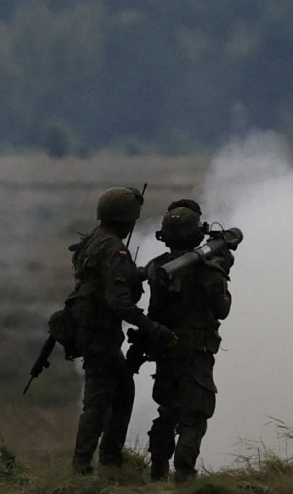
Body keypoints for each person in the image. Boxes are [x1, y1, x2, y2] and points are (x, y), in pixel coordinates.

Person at [69, 186, 176, 475]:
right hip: (101, 333)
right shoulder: (114, 248)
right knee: (98, 400)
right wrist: (153, 328)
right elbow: (119, 303)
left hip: (89, 330)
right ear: (126, 218)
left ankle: (109, 461)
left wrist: (139, 272)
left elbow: (102, 278)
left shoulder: (93, 239)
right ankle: (86, 466)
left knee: (119, 392)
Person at [145, 199, 233, 483]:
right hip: (197, 351)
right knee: (194, 414)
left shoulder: (157, 268)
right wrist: (223, 271)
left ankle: (157, 471)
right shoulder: (208, 271)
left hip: (166, 348)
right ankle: (184, 474)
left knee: (167, 411)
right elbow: (222, 309)